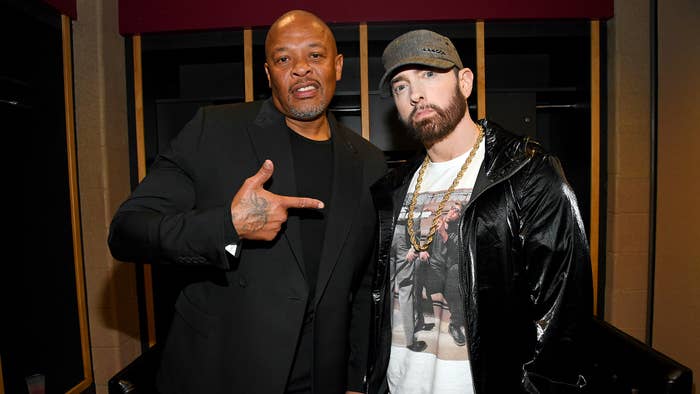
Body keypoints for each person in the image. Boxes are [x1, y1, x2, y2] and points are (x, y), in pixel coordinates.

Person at [108, 10, 386, 394]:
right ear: (268, 72)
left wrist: (355, 379)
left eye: (315, 55)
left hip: (322, 379)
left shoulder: (370, 162)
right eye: (284, 58)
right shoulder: (214, 130)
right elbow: (126, 231)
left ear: (337, 66)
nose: (301, 69)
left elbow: (362, 283)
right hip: (222, 372)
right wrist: (228, 226)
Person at [366, 30, 592, 393]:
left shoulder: (529, 176)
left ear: (465, 81)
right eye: (400, 86)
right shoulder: (391, 191)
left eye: (429, 74)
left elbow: (563, 323)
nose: (416, 94)